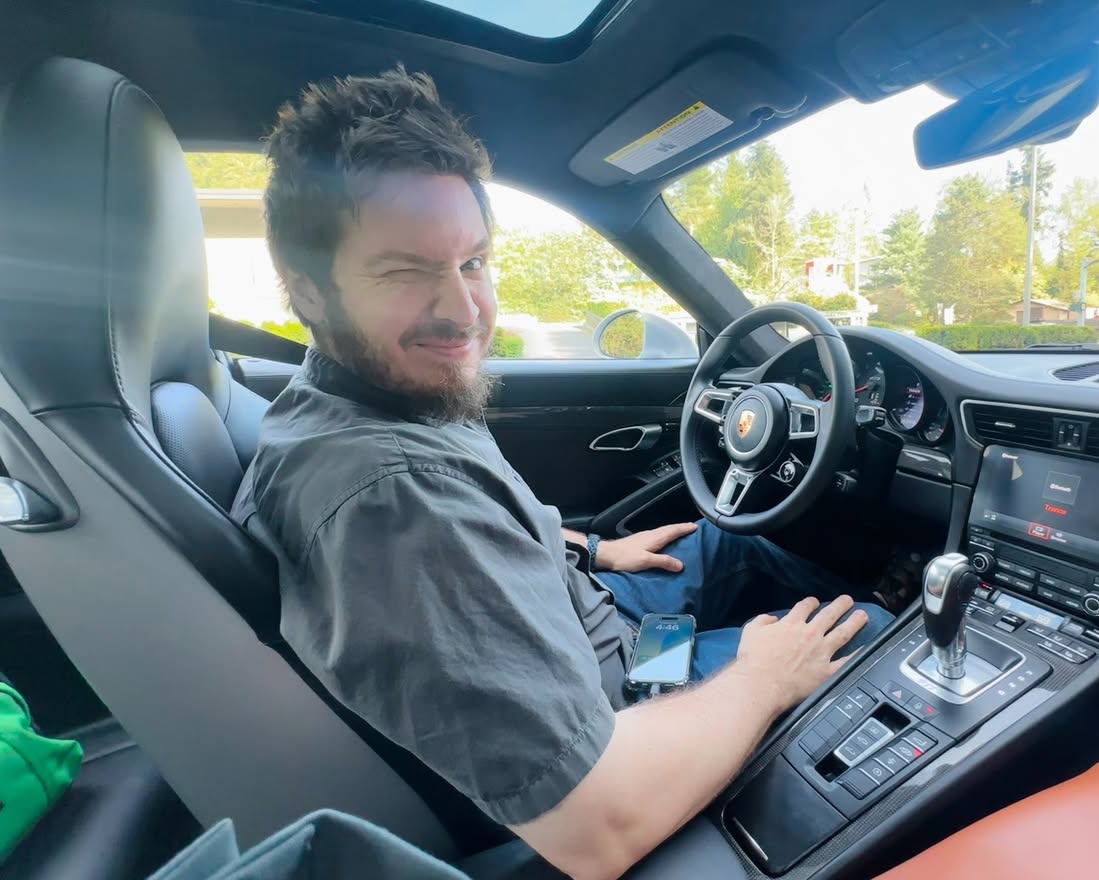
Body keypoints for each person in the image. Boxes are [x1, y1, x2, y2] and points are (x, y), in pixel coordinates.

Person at [231, 67, 893, 880]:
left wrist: (587, 550)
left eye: (473, 262)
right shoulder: (395, 501)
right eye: (404, 271)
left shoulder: (353, 402)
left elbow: (476, 533)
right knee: (872, 630)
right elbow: (597, 827)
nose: (463, 310)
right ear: (308, 289)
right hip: (628, 702)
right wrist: (763, 678)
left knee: (726, 542)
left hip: (593, 623)